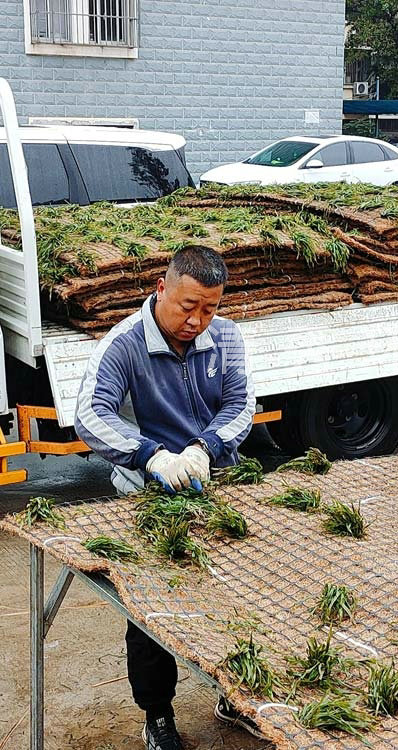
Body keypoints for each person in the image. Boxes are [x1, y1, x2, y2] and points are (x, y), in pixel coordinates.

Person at [75, 245, 257, 750]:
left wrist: (206, 447)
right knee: (153, 610)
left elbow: (242, 405)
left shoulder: (226, 337)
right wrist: (152, 457)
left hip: (215, 483)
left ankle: (234, 694)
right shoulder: (125, 344)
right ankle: (156, 715)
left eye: (210, 308)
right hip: (147, 498)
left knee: (235, 597)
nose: (197, 320)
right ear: (162, 289)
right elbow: (90, 415)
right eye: (187, 306)